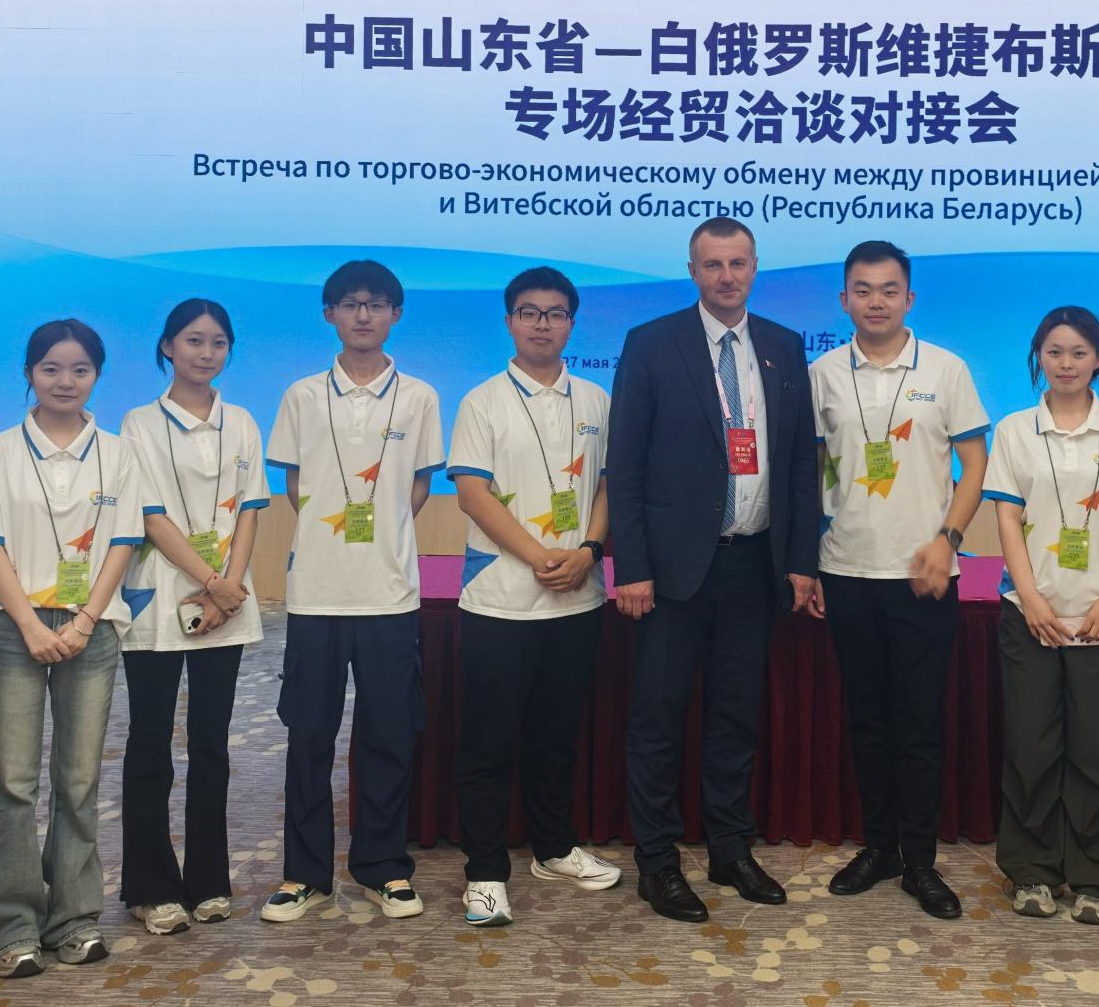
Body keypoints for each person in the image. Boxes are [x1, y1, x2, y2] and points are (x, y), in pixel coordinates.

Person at [607, 217, 819, 924]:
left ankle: (730, 848)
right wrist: (631, 566)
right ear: (693, 270)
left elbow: (799, 461)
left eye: (738, 263)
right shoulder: (652, 342)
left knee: (735, 716)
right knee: (658, 719)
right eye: (712, 264)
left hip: (754, 564)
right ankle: (658, 862)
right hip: (671, 573)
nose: (726, 276)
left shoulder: (783, 346)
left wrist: (800, 560)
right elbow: (624, 464)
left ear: (755, 267)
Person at [0, 319, 146, 979]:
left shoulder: (118, 453)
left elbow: (123, 543)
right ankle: (12, 927)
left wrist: (86, 619)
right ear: (29, 373)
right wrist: (32, 625)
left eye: (80, 369)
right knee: (13, 784)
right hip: (11, 627)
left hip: (92, 627)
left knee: (79, 780)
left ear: (97, 375)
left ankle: (74, 919)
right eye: (51, 368)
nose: (66, 381)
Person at [261, 260, 444, 923]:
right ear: (329, 314)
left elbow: (418, 486)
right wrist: (331, 537)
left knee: (388, 735)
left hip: (390, 593)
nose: (363, 314)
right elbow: (294, 485)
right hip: (316, 592)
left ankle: (383, 866)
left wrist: (381, 533)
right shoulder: (302, 395)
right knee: (308, 736)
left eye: (377, 303)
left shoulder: (419, 396)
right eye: (350, 303)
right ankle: (303, 874)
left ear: (396, 313)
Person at [809, 240, 988, 919]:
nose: (876, 301)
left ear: (909, 298)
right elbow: (810, 472)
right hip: (846, 570)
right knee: (868, 721)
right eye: (863, 289)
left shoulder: (946, 368)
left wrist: (949, 540)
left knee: (918, 725)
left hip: (924, 576)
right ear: (844, 299)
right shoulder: (823, 372)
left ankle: (920, 861)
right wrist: (809, 558)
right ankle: (879, 846)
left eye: (889, 290)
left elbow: (975, 465)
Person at [446, 266, 622, 927]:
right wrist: (539, 555)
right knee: (488, 743)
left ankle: (554, 848)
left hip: (578, 598)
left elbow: (607, 486)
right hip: (500, 600)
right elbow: (473, 495)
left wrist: (589, 550)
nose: (542, 323)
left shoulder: (597, 400)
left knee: (556, 738)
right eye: (529, 312)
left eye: (554, 313)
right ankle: (486, 874)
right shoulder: (482, 401)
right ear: (509, 321)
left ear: (572, 323)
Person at [982, 305, 1099, 927]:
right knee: (1030, 748)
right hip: (1029, 615)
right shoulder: (1014, 430)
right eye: (1054, 352)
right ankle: (1031, 872)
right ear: (1039, 357)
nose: (1066, 363)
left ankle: (1097, 880)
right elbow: (1007, 518)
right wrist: (1031, 599)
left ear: (1098, 359)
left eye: (1079, 352)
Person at [116, 299, 267, 935]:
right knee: (151, 743)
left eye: (218, 342)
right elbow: (149, 516)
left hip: (226, 602)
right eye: (193, 340)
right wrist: (211, 580)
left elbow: (251, 509)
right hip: (158, 598)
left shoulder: (243, 422)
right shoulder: (138, 423)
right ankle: (150, 886)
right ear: (167, 347)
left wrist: (230, 587)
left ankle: (209, 881)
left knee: (211, 744)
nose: (206, 353)